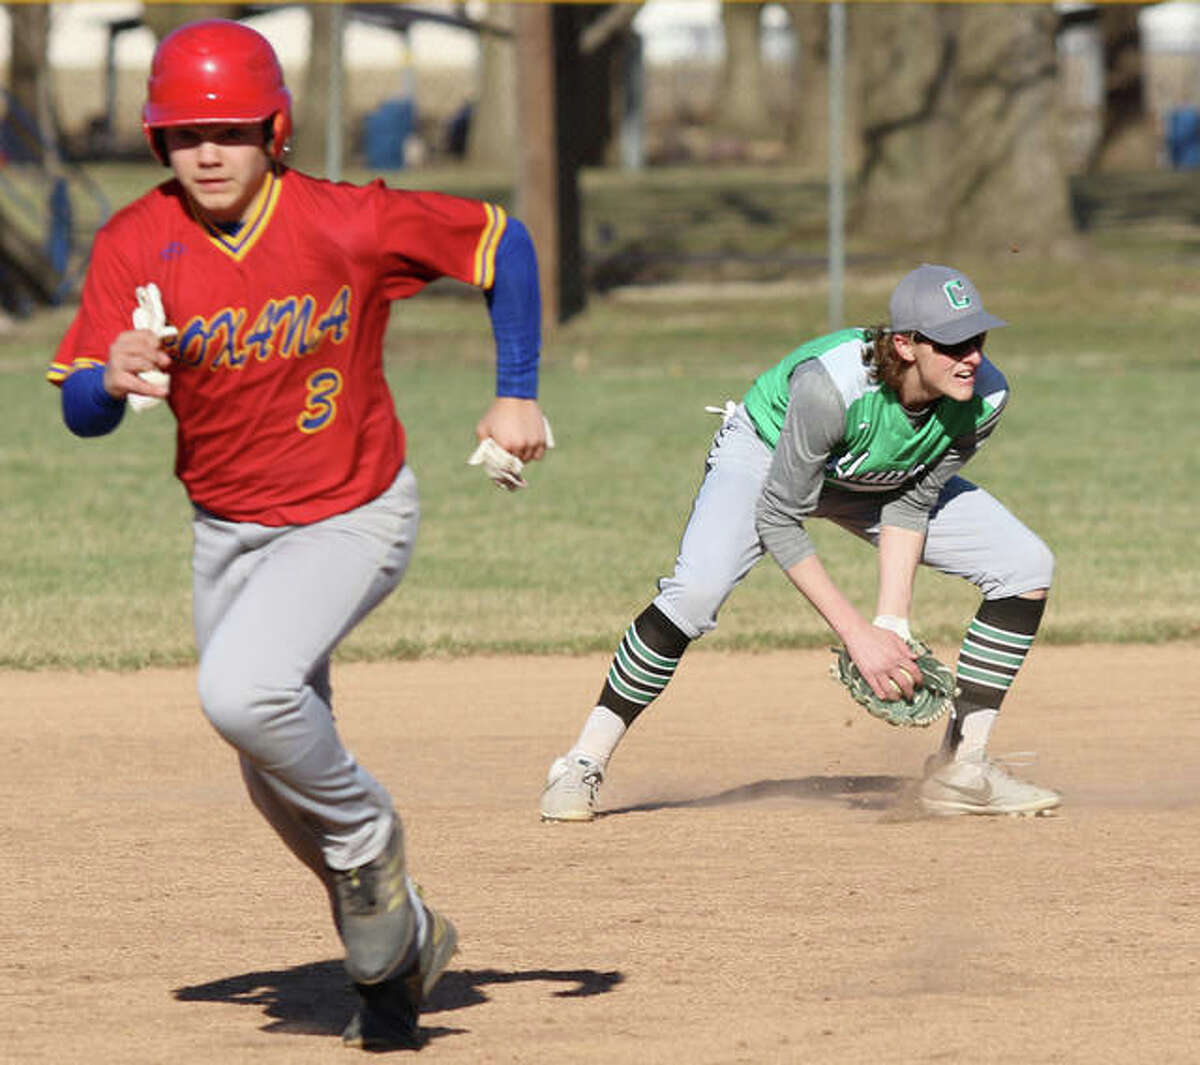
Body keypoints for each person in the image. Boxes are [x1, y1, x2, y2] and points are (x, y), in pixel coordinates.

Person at [46, 19, 549, 1051]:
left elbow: (504, 244)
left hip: (353, 513)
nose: (209, 152)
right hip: (226, 534)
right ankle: (395, 944)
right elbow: (81, 414)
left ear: (276, 129)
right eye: (185, 134)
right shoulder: (137, 242)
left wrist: (516, 392)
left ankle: (372, 838)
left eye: (230, 129)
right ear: (156, 143)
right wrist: (109, 374)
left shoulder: (346, 220)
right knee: (265, 759)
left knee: (243, 693)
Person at [540, 264, 1059, 822]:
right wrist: (858, 636)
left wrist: (892, 624)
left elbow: (911, 502)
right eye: (954, 344)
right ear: (905, 344)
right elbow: (780, 514)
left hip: (875, 476)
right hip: (767, 455)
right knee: (695, 592)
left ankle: (963, 767)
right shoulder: (830, 386)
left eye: (977, 340)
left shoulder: (984, 397)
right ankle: (581, 763)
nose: (972, 358)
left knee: (1025, 565)